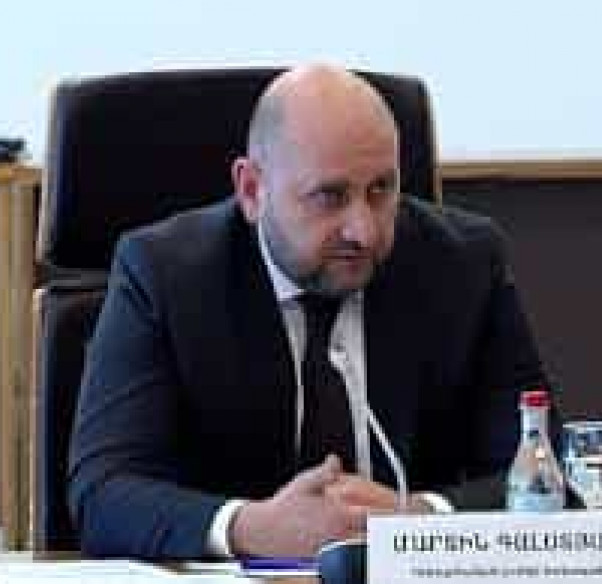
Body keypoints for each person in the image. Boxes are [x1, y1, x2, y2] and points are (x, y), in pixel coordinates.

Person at [68, 65, 552, 560]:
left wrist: (418, 519)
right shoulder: (166, 275)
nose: (363, 230)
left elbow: (546, 473)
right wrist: (251, 527)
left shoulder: (463, 265)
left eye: (381, 190)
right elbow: (103, 493)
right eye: (330, 197)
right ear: (252, 190)